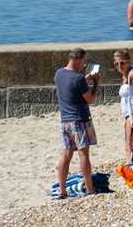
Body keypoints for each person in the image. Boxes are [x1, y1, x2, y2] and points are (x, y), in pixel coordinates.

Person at [54, 48, 100, 199]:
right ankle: (90, 189)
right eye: (84, 62)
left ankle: (62, 190)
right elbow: (90, 99)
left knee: (66, 154)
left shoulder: (59, 73)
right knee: (83, 154)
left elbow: (71, 89)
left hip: (65, 120)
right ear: (78, 60)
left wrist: (84, 81)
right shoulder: (78, 78)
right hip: (79, 120)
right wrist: (96, 83)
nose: (84, 65)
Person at [112, 50, 133, 155]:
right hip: (129, 117)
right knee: (129, 147)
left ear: (128, 62)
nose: (119, 66)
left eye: (122, 63)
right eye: (116, 64)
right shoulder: (125, 75)